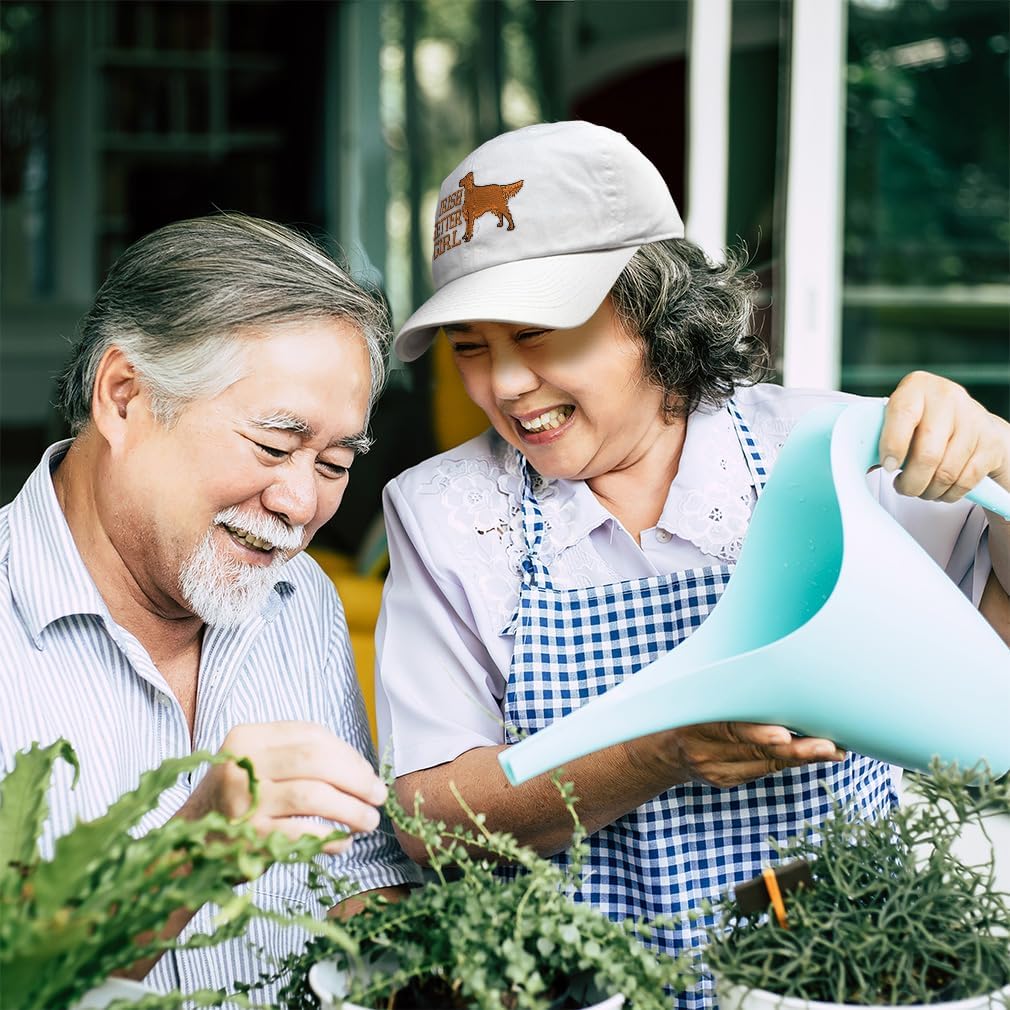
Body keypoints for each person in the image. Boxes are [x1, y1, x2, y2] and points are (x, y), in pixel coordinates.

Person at [375, 121, 1010, 1009]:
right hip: (581, 989)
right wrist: (658, 751)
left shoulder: (831, 451)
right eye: (470, 346)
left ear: (654, 307)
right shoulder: (442, 512)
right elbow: (432, 820)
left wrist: (999, 458)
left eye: (538, 332)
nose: (504, 385)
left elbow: (993, 654)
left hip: (841, 977)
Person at [0, 214, 421, 1004]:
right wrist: (190, 853)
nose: (300, 502)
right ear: (124, 397)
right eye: (272, 445)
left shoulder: (302, 602)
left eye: (334, 463)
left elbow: (357, 876)